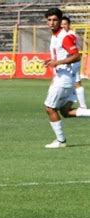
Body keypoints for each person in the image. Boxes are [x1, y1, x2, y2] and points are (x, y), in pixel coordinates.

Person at [43, 8, 90, 149]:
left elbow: (76, 56)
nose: (52, 23)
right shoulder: (55, 36)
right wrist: (51, 60)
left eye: (55, 20)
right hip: (64, 78)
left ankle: (61, 141)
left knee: (50, 108)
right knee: (65, 111)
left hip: (63, 79)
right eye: (49, 20)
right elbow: (62, 55)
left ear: (59, 21)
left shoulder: (64, 36)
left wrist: (57, 63)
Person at [61, 16, 86, 109]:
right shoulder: (66, 34)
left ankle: (82, 106)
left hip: (72, 61)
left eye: (65, 24)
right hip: (69, 61)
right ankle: (68, 103)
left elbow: (71, 50)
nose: (63, 26)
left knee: (76, 83)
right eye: (61, 24)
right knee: (74, 83)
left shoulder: (70, 35)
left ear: (69, 25)